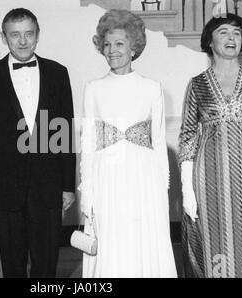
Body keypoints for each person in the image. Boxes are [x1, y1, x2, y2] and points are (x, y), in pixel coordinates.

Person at [0, 8, 76, 278]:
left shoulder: (57, 72)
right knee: (12, 262)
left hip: (48, 183)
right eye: (14, 35)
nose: (22, 41)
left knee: (47, 261)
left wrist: (67, 186)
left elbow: (63, 131)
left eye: (28, 34)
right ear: (3, 37)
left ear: (38, 35)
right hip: (5, 185)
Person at [178, 13, 242, 278]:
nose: (231, 37)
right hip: (209, 176)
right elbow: (188, 136)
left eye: (236, 32)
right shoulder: (197, 84)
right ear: (210, 42)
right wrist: (187, 189)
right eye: (223, 32)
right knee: (216, 236)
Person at [79, 9, 177, 277]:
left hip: (143, 179)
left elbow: (157, 143)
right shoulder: (93, 88)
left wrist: (162, 190)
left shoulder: (152, 87)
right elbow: (88, 144)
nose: (112, 50)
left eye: (119, 44)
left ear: (134, 48)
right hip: (105, 176)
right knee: (110, 243)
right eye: (107, 44)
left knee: (141, 243)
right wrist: (86, 193)